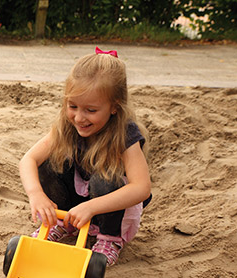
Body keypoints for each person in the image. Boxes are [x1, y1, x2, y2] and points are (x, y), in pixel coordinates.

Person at [19, 48, 152, 266]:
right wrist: (35, 194)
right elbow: (28, 160)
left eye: (90, 110)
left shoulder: (125, 135)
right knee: (48, 163)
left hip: (111, 206)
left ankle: (110, 239)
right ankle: (61, 222)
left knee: (108, 177)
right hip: (76, 200)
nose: (79, 118)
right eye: (72, 106)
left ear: (114, 107)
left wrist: (92, 207)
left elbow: (141, 188)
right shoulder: (67, 125)